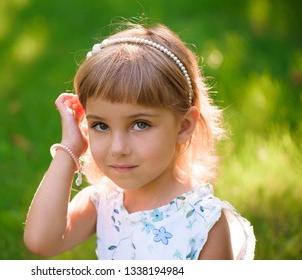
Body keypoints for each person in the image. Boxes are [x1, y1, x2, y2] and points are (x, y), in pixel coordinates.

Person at [24, 23, 255, 260]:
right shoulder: (103, 202)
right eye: (101, 126)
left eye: (140, 124)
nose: (118, 148)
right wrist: (70, 149)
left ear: (184, 126)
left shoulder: (205, 224)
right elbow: (41, 241)